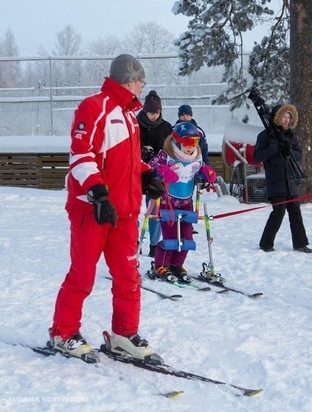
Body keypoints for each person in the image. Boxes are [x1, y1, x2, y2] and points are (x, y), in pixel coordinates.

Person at [49, 54, 165, 362]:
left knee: (128, 276)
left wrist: (148, 174)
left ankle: (123, 335)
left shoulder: (129, 117)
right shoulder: (95, 107)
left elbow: (126, 160)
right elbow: (81, 155)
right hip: (93, 209)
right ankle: (63, 332)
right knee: (83, 275)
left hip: (125, 212)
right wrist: (98, 194)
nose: (142, 87)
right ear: (129, 79)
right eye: (141, 81)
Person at [148, 122, 216, 282]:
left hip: (186, 203)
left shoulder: (196, 156)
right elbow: (152, 165)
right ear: (178, 141)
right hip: (168, 203)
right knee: (171, 238)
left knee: (187, 238)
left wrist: (208, 172)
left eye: (194, 142)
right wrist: (164, 171)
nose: (191, 147)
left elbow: (201, 168)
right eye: (187, 142)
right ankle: (161, 265)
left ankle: (176, 264)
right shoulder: (167, 154)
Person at [253, 103, 312, 254]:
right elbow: (258, 156)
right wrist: (274, 148)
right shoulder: (265, 136)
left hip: (291, 180)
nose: (286, 120)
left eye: (289, 117)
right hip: (276, 180)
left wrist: (289, 151)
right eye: (284, 116)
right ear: (277, 117)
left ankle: (300, 243)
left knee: (295, 211)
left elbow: (299, 155)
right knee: (278, 211)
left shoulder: (291, 136)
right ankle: (266, 243)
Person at [137, 90, 173, 258]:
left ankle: (154, 244)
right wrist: (141, 151)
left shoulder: (166, 127)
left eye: (156, 112)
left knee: (154, 210)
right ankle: (134, 241)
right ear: (145, 111)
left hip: (157, 173)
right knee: (132, 209)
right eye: (151, 112)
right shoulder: (135, 124)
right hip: (137, 170)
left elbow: (169, 148)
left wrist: (158, 157)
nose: (153, 116)